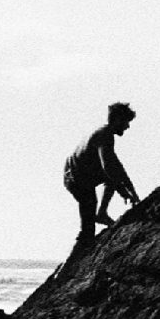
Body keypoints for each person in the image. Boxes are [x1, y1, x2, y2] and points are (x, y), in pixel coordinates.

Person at [63, 102, 139, 248]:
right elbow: (108, 168)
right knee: (88, 230)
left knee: (114, 176)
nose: (127, 127)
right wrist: (123, 192)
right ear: (117, 120)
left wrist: (132, 192)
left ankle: (102, 213)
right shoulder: (104, 135)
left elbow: (118, 167)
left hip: (83, 175)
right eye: (126, 122)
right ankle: (75, 256)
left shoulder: (106, 134)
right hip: (75, 178)